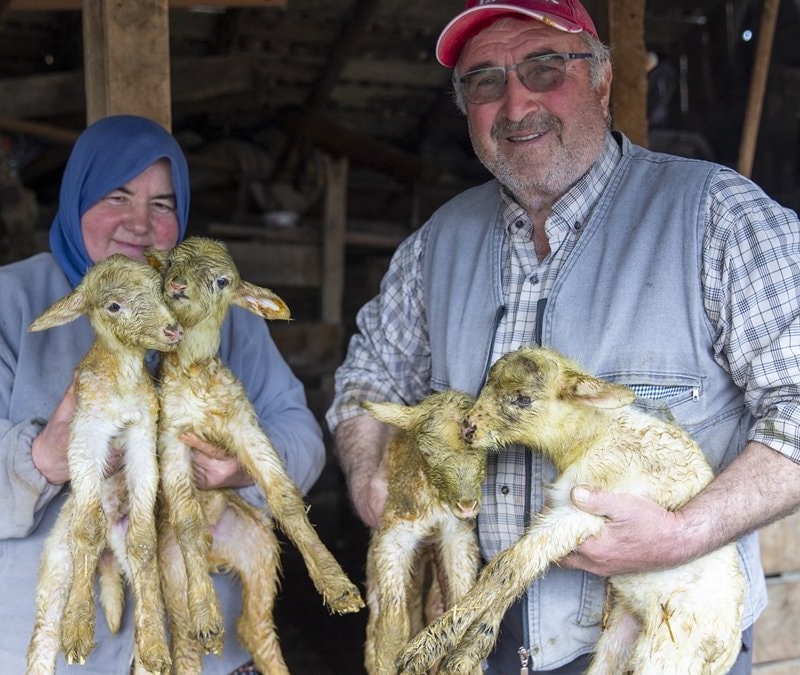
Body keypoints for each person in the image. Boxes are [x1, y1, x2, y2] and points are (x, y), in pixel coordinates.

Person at [326, 0, 800, 672]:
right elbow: (364, 382)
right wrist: (370, 474)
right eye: (485, 81)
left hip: (663, 635)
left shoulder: (717, 215)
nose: (516, 106)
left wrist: (682, 533)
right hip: (477, 641)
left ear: (601, 79)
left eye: (544, 68)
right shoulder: (438, 244)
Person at [0, 114, 325, 674]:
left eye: (162, 204)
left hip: (206, 649)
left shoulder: (218, 309)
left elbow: (302, 434)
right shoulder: (13, 304)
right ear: (76, 198)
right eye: (117, 197)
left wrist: (241, 467)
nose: (139, 225)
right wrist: (43, 458)